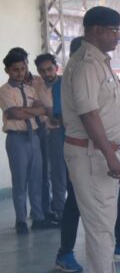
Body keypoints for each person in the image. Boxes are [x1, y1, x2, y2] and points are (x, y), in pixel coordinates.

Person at [61, 6, 120, 273]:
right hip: (92, 154)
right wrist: (110, 153)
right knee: (100, 226)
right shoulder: (84, 65)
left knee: (105, 223)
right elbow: (89, 114)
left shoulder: (100, 63)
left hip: (103, 152)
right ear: (94, 30)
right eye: (113, 31)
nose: (117, 37)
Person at [1, 50, 55, 234]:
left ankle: (38, 218)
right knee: (20, 181)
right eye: (15, 69)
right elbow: (14, 113)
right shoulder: (4, 91)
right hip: (17, 139)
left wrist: (30, 111)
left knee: (36, 179)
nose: (20, 72)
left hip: (34, 138)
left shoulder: (31, 89)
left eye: (23, 69)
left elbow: (43, 110)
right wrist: (34, 111)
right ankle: (21, 220)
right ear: (7, 70)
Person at [32, 53, 68, 223]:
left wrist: (48, 110)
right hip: (53, 133)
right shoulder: (36, 86)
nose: (46, 73)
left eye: (49, 69)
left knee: (75, 173)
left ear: (57, 68)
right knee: (57, 173)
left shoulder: (67, 84)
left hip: (72, 131)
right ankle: (60, 210)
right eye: (42, 71)